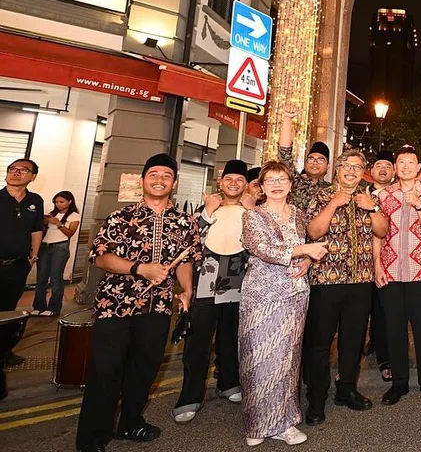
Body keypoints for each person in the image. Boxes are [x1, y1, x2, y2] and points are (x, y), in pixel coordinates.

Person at [75, 154, 200, 452]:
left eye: (166, 175)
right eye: (153, 174)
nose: (160, 179)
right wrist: (139, 268)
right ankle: (92, 438)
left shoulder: (184, 222)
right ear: (143, 179)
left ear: (174, 183)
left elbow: (185, 261)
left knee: (144, 369)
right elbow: (101, 257)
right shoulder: (121, 216)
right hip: (115, 306)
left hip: (157, 309)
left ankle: (130, 422)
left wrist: (186, 290)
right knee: (106, 372)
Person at [239, 160, 329, 447]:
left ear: (291, 185)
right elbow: (261, 248)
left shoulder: (299, 214)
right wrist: (304, 250)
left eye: (282, 179)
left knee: (288, 360)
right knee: (258, 359)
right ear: (262, 187)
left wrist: (304, 260)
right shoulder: (252, 216)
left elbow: (299, 249)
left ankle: (286, 422)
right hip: (262, 296)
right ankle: (257, 424)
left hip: (295, 294)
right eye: (271, 180)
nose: (277, 185)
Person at [302, 150, 387, 424]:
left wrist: (371, 207)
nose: (351, 171)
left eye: (357, 167)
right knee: (320, 342)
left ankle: (347, 390)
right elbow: (314, 232)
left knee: (353, 341)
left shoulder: (368, 197)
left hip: (360, 281)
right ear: (336, 170)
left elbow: (382, 231)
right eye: (346, 166)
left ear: (363, 171)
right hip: (326, 281)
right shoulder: (321, 196)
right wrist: (334, 204)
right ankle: (316, 399)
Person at [173, 160, 258, 423]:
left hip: (239, 282)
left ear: (246, 185)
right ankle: (190, 396)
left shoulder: (252, 209)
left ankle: (229, 382)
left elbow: (261, 242)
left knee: (231, 336)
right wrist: (207, 214)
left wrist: (253, 212)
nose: (234, 183)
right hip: (206, 284)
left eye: (239, 179)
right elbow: (186, 242)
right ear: (220, 182)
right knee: (198, 342)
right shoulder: (205, 208)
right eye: (229, 178)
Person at [374, 145, 421, 406]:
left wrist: (420, 205)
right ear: (395, 166)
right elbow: (377, 233)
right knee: (394, 329)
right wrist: (377, 266)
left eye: (410, 162)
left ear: (418, 166)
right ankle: (399, 383)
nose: (405, 166)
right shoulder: (384, 195)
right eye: (400, 162)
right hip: (390, 272)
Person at [0, 159, 43, 400]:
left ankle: (4, 351)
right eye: (12, 169)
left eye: (23, 170)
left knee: (8, 312)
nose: (16, 173)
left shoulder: (34, 201)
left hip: (18, 266)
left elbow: (36, 230)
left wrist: (33, 257)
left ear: (33, 176)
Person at [367, 149, 395, 379]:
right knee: (359, 313)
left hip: (389, 263)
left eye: (388, 165)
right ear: (372, 170)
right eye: (379, 165)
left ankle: (386, 359)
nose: (383, 169)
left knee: (385, 311)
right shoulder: (360, 193)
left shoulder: (398, 195)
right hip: (358, 264)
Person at [32, 191, 79, 316]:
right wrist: (44, 222)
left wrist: (59, 224)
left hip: (60, 247)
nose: (58, 204)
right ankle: (38, 306)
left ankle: (54, 308)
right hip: (45, 246)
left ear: (69, 201)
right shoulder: (52, 214)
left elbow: (70, 233)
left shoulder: (74, 215)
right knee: (41, 278)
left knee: (56, 278)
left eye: (61, 201)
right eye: (56, 202)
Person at [278, 106, 330, 213]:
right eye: (311, 159)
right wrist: (287, 118)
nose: (315, 162)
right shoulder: (295, 182)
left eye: (320, 160)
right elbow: (284, 153)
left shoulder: (332, 190)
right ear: (305, 164)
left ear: (328, 166)